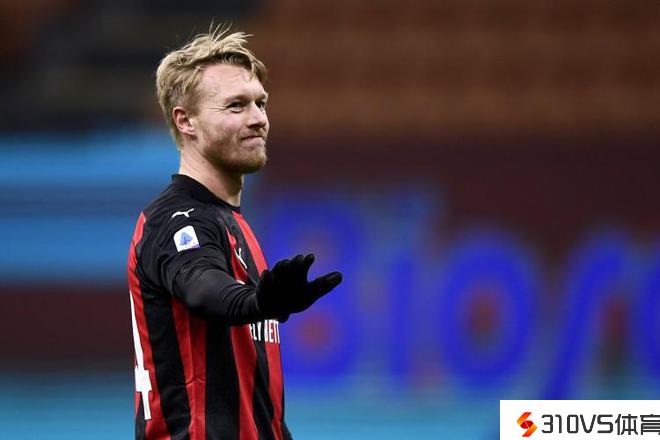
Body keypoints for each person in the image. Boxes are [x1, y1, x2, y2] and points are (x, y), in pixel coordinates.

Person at [127, 27, 342, 440]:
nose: (258, 118)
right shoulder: (177, 220)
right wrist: (256, 301)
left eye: (261, 103)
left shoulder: (232, 223)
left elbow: (256, 404)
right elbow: (201, 286)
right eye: (236, 106)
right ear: (185, 121)